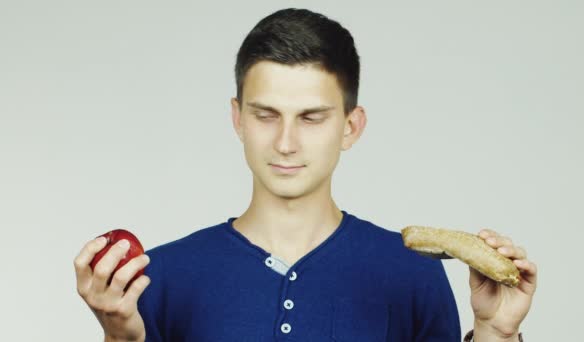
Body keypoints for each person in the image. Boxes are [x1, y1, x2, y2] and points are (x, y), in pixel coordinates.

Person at [73, 8, 537, 342]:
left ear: (350, 127)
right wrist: (121, 338)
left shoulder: (414, 275)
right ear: (238, 119)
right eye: (266, 115)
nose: (286, 142)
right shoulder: (159, 279)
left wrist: (497, 333)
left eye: (311, 117)